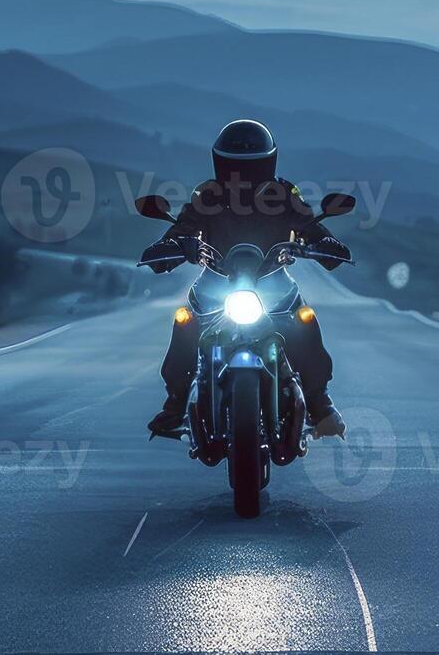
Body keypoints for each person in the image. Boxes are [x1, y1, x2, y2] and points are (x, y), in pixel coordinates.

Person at [140, 120, 351, 438]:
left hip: (272, 279)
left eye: (251, 167)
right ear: (219, 163)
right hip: (217, 279)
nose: (243, 176)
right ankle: (175, 403)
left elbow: (308, 223)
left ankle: (320, 403)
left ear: (268, 163)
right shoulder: (207, 195)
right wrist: (170, 247)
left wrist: (323, 244)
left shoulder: (283, 192)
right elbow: (183, 226)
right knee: (185, 321)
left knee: (304, 320)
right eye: (234, 166)